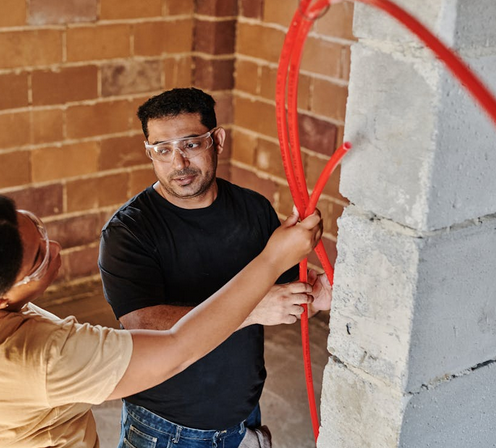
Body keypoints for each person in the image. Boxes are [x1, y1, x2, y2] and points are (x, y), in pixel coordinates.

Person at [0, 194, 323, 448]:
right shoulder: (42, 358)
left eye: (37, 226)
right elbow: (177, 349)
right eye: (39, 257)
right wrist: (271, 262)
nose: (55, 245)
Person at [98, 87, 333, 448]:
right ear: (149, 153)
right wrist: (254, 309)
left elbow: (285, 300)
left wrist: (316, 297)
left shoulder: (254, 210)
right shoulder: (127, 231)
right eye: (162, 150)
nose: (178, 163)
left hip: (243, 416)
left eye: (191, 144)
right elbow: (144, 325)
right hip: (166, 429)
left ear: (217, 140)